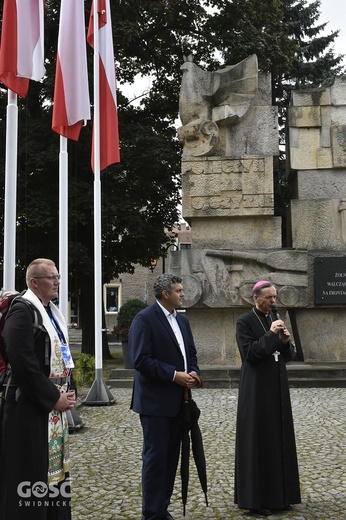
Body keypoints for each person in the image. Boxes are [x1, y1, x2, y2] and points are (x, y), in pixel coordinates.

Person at [0, 258, 76, 520]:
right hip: (28, 408)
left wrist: (69, 388)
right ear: (34, 282)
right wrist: (54, 398)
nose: (57, 282)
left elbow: (63, 355)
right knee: (30, 472)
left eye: (57, 277)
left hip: (50, 409)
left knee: (53, 472)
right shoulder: (23, 310)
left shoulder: (53, 311)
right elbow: (21, 361)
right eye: (51, 278)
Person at [129, 273, 201, 520]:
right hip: (155, 404)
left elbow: (190, 353)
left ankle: (162, 510)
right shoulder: (144, 319)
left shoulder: (182, 321)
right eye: (179, 291)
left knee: (172, 460)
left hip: (179, 402)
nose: (183, 294)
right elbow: (140, 360)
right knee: (156, 461)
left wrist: (193, 373)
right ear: (165, 294)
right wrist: (174, 376)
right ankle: (151, 514)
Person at [234, 280, 301, 517]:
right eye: (269, 297)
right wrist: (272, 335)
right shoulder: (245, 321)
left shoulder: (276, 318)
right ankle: (257, 500)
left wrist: (285, 342)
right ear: (256, 298)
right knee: (259, 440)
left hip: (277, 386)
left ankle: (281, 496)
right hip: (256, 390)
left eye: (275, 297)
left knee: (278, 438)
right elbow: (250, 353)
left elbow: (289, 355)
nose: (273, 301)